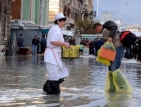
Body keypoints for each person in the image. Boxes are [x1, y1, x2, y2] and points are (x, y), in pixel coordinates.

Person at [93, 21, 133, 93]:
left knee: (115, 68)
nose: (96, 32)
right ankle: (113, 87)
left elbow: (114, 27)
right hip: (114, 50)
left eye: (96, 30)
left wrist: (110, 37)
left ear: (98, 27)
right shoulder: (105, 31)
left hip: (118, 47)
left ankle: (123, 87)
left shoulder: (106, 29)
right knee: (111, 68)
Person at [43, 13, 71, 95]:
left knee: (59, 73)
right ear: (58, 21)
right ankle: (52, 93)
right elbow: (53, 41)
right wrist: (64, 43)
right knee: (54, 75)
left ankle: (47, 89)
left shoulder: (56, 29)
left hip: (54, 55)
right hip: (52, 55)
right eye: (63, 21)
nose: (64, 23)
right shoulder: (56, 29)